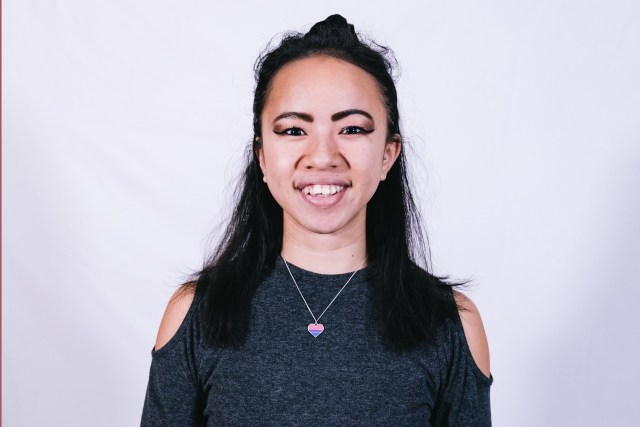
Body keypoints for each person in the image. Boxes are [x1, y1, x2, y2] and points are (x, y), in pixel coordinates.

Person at [142, 14, 492, 426]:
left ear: (388, 154)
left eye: (352, 129)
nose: (323, 156)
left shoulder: (452, 322)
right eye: (293, 130)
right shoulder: (194, 313)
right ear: (262, 157)